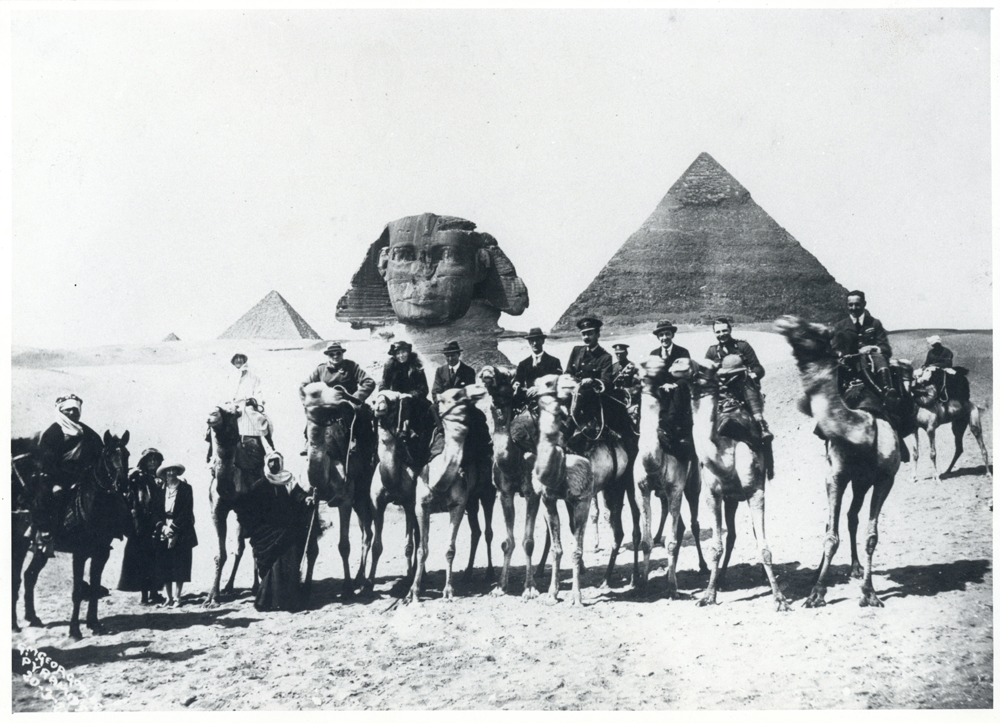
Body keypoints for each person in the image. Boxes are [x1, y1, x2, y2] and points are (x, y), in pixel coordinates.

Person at [241, 452, 316, 612]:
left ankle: (289, 601)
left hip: (286, 530)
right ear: (266, 464)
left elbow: (298, 496)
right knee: (271, 565)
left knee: (290, 561)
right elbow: (250, 508)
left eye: (276, 462)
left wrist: (306, 499)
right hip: (267, 532)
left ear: (281, 463)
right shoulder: (260, 485)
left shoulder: (288, 480)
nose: (274, 465)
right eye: (271, 462)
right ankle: (270, 601)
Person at [300, 341, 376, 454]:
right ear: (327, 355)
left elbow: (369, 382)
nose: (335, 356)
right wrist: (311, 401)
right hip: (327, 404)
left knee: (363, 417)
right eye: (332, 354)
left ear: (342, 354)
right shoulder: (320, 370)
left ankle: (366, 448)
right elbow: (304, 385)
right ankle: (309, 441)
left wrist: (355, 398)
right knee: (313, 415)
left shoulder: (351, 366)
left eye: (338, 353)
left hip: (348, 403)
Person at [705, 318, 773, 442]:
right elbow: (706, 372)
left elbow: (758, 368)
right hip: (722, 391)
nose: (722, 334)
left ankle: (761, 423)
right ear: (714, 333)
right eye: (718, 332)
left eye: (724, 330)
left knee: (747, 384)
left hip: (743, 389)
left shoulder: (742, 346)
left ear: (730, 330)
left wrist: (753, 374)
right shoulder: (712, 351)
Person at [117, 448, 166, 605]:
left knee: (157, 558)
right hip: (140, 523)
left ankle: (154, 593)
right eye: (149, 459)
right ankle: (145, 596)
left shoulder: (162, 478)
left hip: (157, 522)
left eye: (155, 459)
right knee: (142, 560)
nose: (152, 462)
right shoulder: (137, 476)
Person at [831, 290, 896, 400]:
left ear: (864, 304)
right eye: (850, 305)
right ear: (847, 305)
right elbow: (834, 348)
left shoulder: (875, 323)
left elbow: (886, 349)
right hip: (850, 367)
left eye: (857, 304)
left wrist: (872, 348)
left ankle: (888, 390)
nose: (853, 308)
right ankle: (882, 393)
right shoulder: (840, 326)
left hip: (875, 365)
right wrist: (839, 353)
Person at [431, 340, 491, 453]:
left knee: (479, 417)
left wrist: (454, 401)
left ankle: (484, 449)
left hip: (461, 406)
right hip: (445, 405)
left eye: (452, 356)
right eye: (447, 356)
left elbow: (468, 392)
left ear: (458, 355)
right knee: (432, 408)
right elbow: (435, 391)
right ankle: (441, 432)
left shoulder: (468, 371)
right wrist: (440, 400)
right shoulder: (440, 371)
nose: (450, 359)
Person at [153, 462, 198, 608]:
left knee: (180, 564)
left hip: (182, 530)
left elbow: (186, 511)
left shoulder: (186, 489)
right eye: (168, 471)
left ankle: (178, 598)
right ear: (164, 474)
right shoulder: (159, 490)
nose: (171, 473)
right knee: (164, 564)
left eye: (173, 470)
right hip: (163, 530)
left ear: (177, 472)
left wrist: (173, 528)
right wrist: (164, 527)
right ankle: (169, 598)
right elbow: (154, 512)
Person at [380, 340, 434, 454]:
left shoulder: (416, 366)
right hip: (396, 400)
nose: (401, 356)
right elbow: (383, 384)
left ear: (408, 352)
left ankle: (404, 431)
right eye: (398, 353)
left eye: (403, 352)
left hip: (415, 401)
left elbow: (424, 389)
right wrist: (391, 394)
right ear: (394, 355)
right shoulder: (390, 366)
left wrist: (410, 395)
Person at [647, 320, 693, 452]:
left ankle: (670, 426)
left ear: (672, 335)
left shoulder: (683, 352)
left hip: (678, 390)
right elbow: (653, 376)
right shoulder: (653, 354)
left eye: (667, 334)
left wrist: (674, 384)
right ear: (658, 337)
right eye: (661, 335)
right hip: (661, 391)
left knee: (677, 393)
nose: (664, 338)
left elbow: (686, 376)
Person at [230, 352, 274, 471]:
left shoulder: (254, 377)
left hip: (248, 407)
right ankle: (212, 456)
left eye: (241, 358)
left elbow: (259, 392)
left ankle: (270, 450)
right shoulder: (228, 376)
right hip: (232, 407)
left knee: (263, 422)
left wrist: (255, 401)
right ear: (232, 360)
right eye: (236, 358)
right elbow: (223, 393)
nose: (239, 360)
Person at [513, 328, 563, 404]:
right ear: (529, 343)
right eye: (532, 341)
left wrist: (540, 388)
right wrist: (516, 384)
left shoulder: (554, 361)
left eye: (537, 340)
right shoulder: (523, 364)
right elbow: (518, 380)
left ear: (543, 341)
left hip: (548, 401)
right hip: (528, 401)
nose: (535, 343)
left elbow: (558, 382)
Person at [564, 317, 614, 390]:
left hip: (592, 396)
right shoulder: (576, 350)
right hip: (574, 392)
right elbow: (568, 372)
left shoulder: (605, 357)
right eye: (583, 334)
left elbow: (606, 382)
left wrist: (592, 381)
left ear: (598, 335)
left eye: (590, 334)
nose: (586, 337)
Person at [610, 343, 642, 425]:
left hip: (628, 398)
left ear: (626, 353)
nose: (619, 355)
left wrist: (625, 391)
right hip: (614, 397)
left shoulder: (633, 367)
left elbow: (636, 386)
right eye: (617, 353)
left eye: (621, 353)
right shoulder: (613, 367)